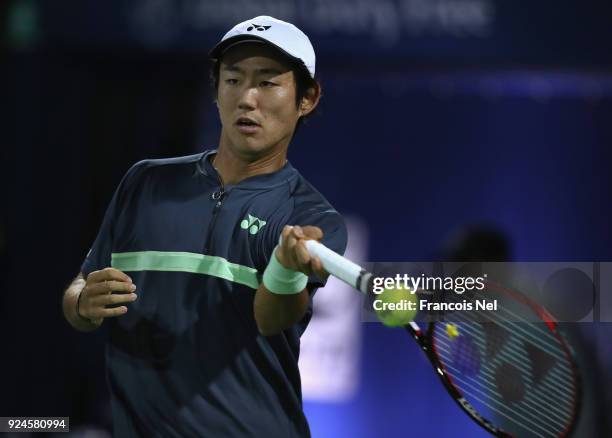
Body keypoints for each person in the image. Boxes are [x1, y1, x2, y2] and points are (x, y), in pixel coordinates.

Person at [62, 15, 347, 438]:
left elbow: (273, 320)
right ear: (216, 90)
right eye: (233, 80)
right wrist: (83, 304)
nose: (247, 98)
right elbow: (80, 291)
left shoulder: (312, 218)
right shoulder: (145, 182)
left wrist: (285, 269)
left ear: (307, 98)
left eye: (268, 83)